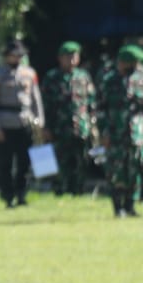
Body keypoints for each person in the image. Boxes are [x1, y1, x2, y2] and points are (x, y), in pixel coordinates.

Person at [0, 39, 45, 208]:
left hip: (25, 121)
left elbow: (36, 98)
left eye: (19, 55)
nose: (17, 58)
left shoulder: (29, 73)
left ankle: (22, 193)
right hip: (5, 123)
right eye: (13, 55)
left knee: (24, 161)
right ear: (6, 56)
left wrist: (40, 121)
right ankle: (8, 195)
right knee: (5, 162)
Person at [41, 41, 97, 196]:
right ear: (60, 58)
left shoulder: (83, 76)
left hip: (81, 127)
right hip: (59, 127)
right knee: (60, 160)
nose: (71, 59)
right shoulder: (52, 77)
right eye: (68, 56)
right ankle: (59, 189)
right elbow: (45, 104)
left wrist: (93, 124)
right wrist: (46, 127)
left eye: (74, 56)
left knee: (81, 159)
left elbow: (91, 101)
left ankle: (78, 190)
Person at [97, 45, 143, 217]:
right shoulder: (109, 81)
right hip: (115, 132)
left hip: (136, 133)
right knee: (115, 171)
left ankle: (130, 205)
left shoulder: (140, 80)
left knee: (134, 169)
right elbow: (100, 109)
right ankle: (118, 207)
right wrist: (104, 132)